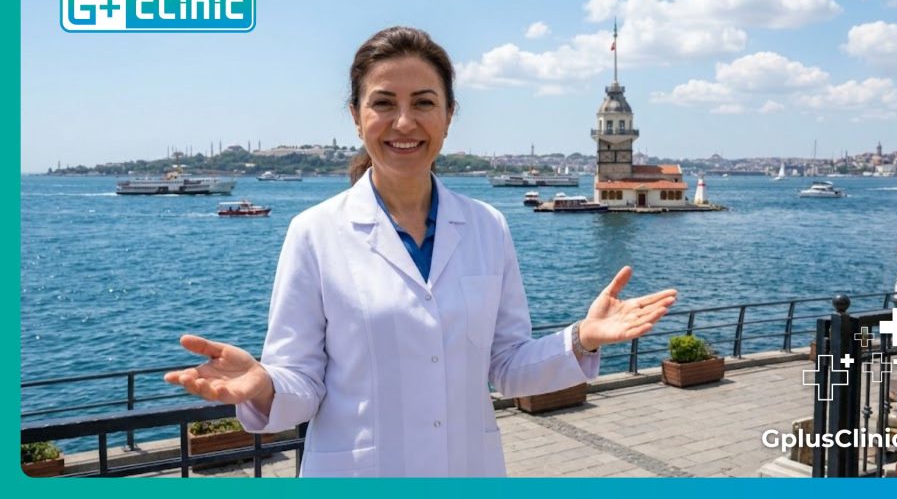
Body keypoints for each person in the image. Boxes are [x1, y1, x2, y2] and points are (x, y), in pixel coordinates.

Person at [164, 26, 677, 477]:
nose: (404, 122)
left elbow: (506, 365)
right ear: (356, 116)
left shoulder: (487, 227)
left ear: (449, 116)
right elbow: (302, 382)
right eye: (384, 102)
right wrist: (262, 386)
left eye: (424, 103)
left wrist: (582, 340)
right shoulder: (314, 232)